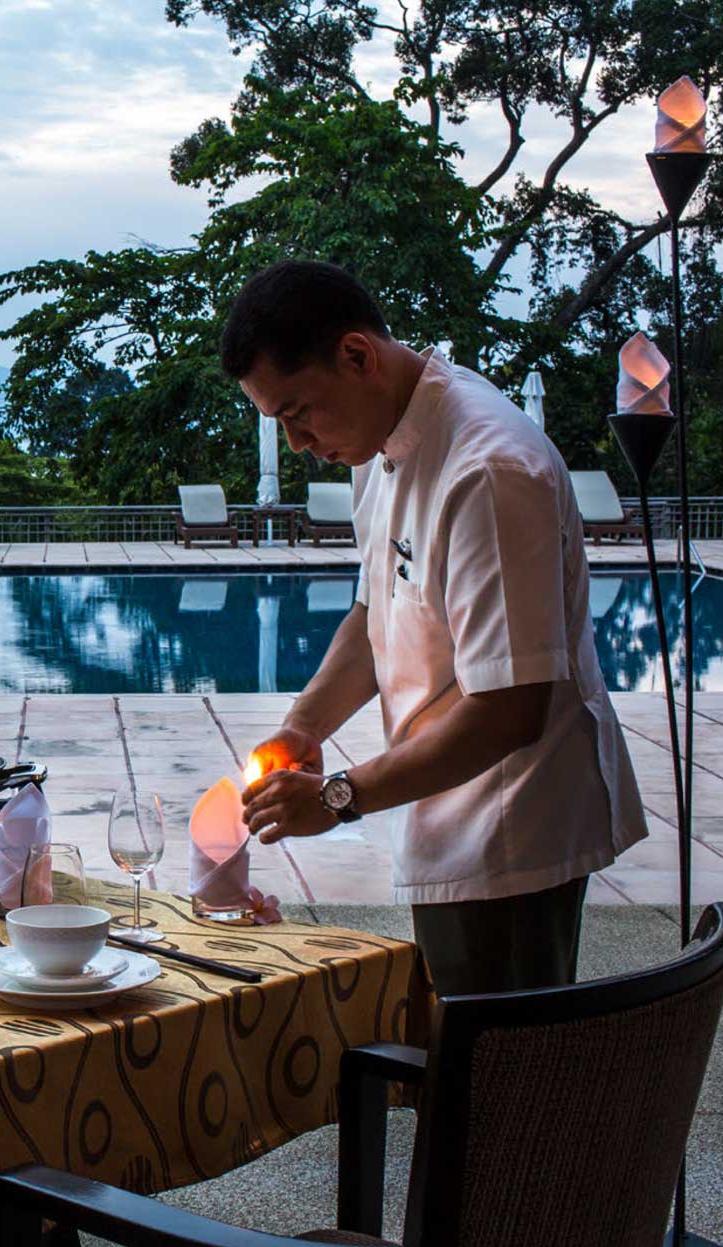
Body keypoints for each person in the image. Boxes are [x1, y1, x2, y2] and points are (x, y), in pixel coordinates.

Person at [225, 260, 645, 997]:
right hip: (445, 813)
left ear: (358, 356)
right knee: (460, 1064)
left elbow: (511, 710)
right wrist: (303, 727)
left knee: (501, 1080)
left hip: (515, 827)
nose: (296, 444)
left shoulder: (488, 471)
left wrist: (335, 798)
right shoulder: (376, 443)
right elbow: (374, 610)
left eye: (297, 414)